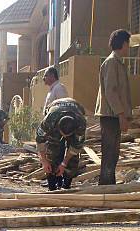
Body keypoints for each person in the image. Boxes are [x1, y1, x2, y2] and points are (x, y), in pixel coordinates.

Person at [95, 29, 132, 185]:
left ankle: (109, 184)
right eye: (128, 43)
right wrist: (121, 114)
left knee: (113, 153)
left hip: (114, 115)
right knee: (109, 152)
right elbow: (111, 91)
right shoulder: (111, 63)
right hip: (111, 115)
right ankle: (105, 186)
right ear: (123, 43)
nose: (129, 47)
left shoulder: (118, 63)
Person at [36, 98, 86, 191]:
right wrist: (44, 161)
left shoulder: (80, 124)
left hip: (76, 108)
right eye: (63, 134)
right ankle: (52, 182)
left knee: (73, 157)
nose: (65, 137)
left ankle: (67, 184)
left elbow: (75, 148)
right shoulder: (49, 121)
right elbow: (40, 140)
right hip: (55, 108)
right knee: (53, 149)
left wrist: (64, 164)